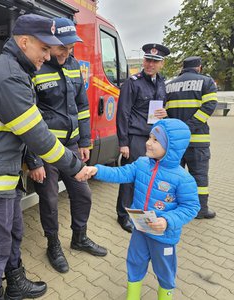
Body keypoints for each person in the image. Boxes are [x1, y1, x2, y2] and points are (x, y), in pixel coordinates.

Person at [0, 14, 93, 300]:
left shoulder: (14, 70)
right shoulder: (9, 77)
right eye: (44, 48)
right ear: (24, 41)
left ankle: (16, 282)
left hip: (2, 174)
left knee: (13, 233)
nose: (48, 56)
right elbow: (38, 136)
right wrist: (75, 167)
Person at [25, 17, 107, 274]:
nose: (67, 52)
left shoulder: (73, 67)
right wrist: (34, 160)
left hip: (71, 147)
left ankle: (79, 237)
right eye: (63, 46)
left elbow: (82, 106)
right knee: (49, 200)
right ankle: (53, 245)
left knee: (83, 194)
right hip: (46, 150)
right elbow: (25, 117)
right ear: (50, 43)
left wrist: (84, 140)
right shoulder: (34, 68)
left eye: (71, 47)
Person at [87, 118, 200, 300]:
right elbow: (121, 173)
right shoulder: (141, 163)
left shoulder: (183, 178)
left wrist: (167, 221)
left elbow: (191, 207)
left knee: (164, 270)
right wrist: (97, 170)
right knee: (134, 262)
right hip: (141, 228)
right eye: (149, 137)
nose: (148, 143)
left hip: (164, 236)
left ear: (171, 147)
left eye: (156, 140)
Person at [116, 43, 170, 233]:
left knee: (149, 176)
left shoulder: (162, 82)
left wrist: (164, 112)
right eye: (148, 60)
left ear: (161, 63)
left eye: (155, 61)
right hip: (136, 137)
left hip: (154, 137)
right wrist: (123, 143)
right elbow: (123, 112)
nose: (150, 64)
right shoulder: (133, 82)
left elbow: (161, 107)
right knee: (131, 176)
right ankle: (123, 215)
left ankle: (141, 210)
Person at [165, 56, 218, 219]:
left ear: (183, 67)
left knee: (174, 176)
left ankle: (173, 206)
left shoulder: (169, 86)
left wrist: (178, 130)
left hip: (175, 142)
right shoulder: (207, 82)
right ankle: (200, 210)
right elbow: (209, 107)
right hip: (197, 141)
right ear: (199, 67)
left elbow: (164, 111)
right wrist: (189, 127)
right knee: (199, 176)